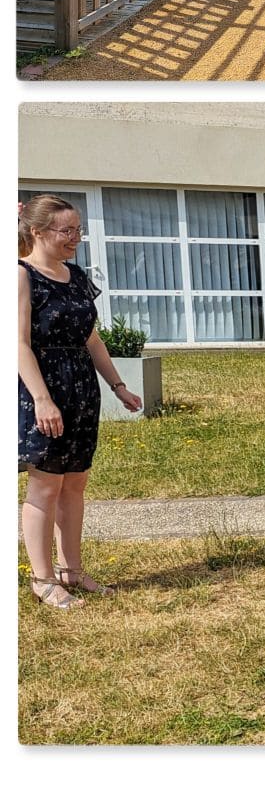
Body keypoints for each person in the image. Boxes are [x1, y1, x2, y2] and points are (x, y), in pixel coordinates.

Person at [19, 195, 142, 609]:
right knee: (45, 485)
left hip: (81, 389)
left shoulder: (76, 276)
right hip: (44, 388)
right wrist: (41, 399)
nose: (75, 238)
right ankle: (42, 578)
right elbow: (17, 344)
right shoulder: (21, 275)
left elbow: (91, 337)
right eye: (66, 231)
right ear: (37, 232)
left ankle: (73, 571)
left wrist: (118, 386)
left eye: (78, 230)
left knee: (75, 483)